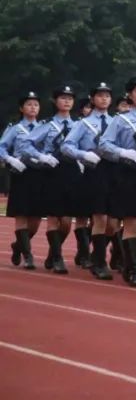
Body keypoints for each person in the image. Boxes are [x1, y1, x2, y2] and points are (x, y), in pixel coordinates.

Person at [97, 75, 136, 287]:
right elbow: (104, 145)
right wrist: (122, 152)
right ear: (130, 95)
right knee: (132, 222)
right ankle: (134, 269)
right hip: (130, 173)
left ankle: (128, 251)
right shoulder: (121, 120)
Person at [61, 82, 113, 275]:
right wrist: (83, 155)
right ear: (92, 99)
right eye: (100, 95)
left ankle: (94, 255)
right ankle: (99, 262)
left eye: (107, 95)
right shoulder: (84, 123)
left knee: (113, 223)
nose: (104, 99)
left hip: (115, 172)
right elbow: (67, 146)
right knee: (100, 217)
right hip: (95, 169)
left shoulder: (117, 121)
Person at [29, 85, 80, 275]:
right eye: (62, 98)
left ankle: (53, 251)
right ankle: (58, 257)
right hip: (52, 170)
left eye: (70, 98)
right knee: (53, 216)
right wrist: (41, 156)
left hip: (71, 170)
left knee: (66, 221)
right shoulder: (47, 124)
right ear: (55, 101)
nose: (66, 101)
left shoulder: (78, 125)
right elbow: (27, 143)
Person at [7, 91, 47, 270]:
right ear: (21, 108)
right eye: (29, 104)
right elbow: (1, 147)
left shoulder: (45, 128)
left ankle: (18, 245)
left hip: (39, 174)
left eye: (36, 104)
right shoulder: (15, 129)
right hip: (21, 173)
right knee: (22, 214)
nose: (33, 107)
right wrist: (10, 159)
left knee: (36, 220)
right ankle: (28, 255)